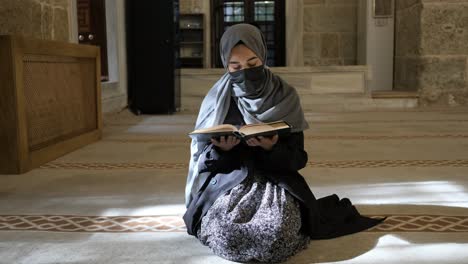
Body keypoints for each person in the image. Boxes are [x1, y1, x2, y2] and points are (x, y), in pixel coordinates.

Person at [183, 24, 383, 263]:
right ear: (226, 65)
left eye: (253, 64)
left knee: (278, 229)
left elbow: (298, 158)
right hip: (230, 182)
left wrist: (271, 148)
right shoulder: (217, 100)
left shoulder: (285, 96)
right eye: (235, 67)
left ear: (263, 57)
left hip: (274, 181)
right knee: (225, 229)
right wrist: (221, 151)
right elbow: (203, 161)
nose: (245, 72)